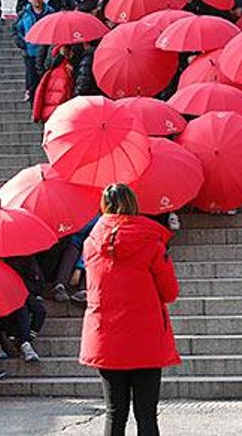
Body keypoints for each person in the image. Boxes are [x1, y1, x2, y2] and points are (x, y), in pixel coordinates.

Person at [80, 184, 180, 436]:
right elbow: (170, 293)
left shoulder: (91, 244)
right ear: (134, 204)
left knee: (114, 413)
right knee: (146, 414)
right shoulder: (150, 241)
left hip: (106, 336)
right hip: (145, 338)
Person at [0, 255, 47, 363]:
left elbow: (37, 281)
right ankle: (24, 343)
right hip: (5, 292)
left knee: (40, 311)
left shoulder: (27, 258)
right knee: (21, 308)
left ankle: (25, 340)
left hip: (25, 290)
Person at [14, 0, 55, 102]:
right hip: (30, 52)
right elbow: (16, 30)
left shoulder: (50, 12)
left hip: (46, 53)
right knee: (32, 82)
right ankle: (33, 106)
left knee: (45, 81)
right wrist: (21, 42)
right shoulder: (24, 14)